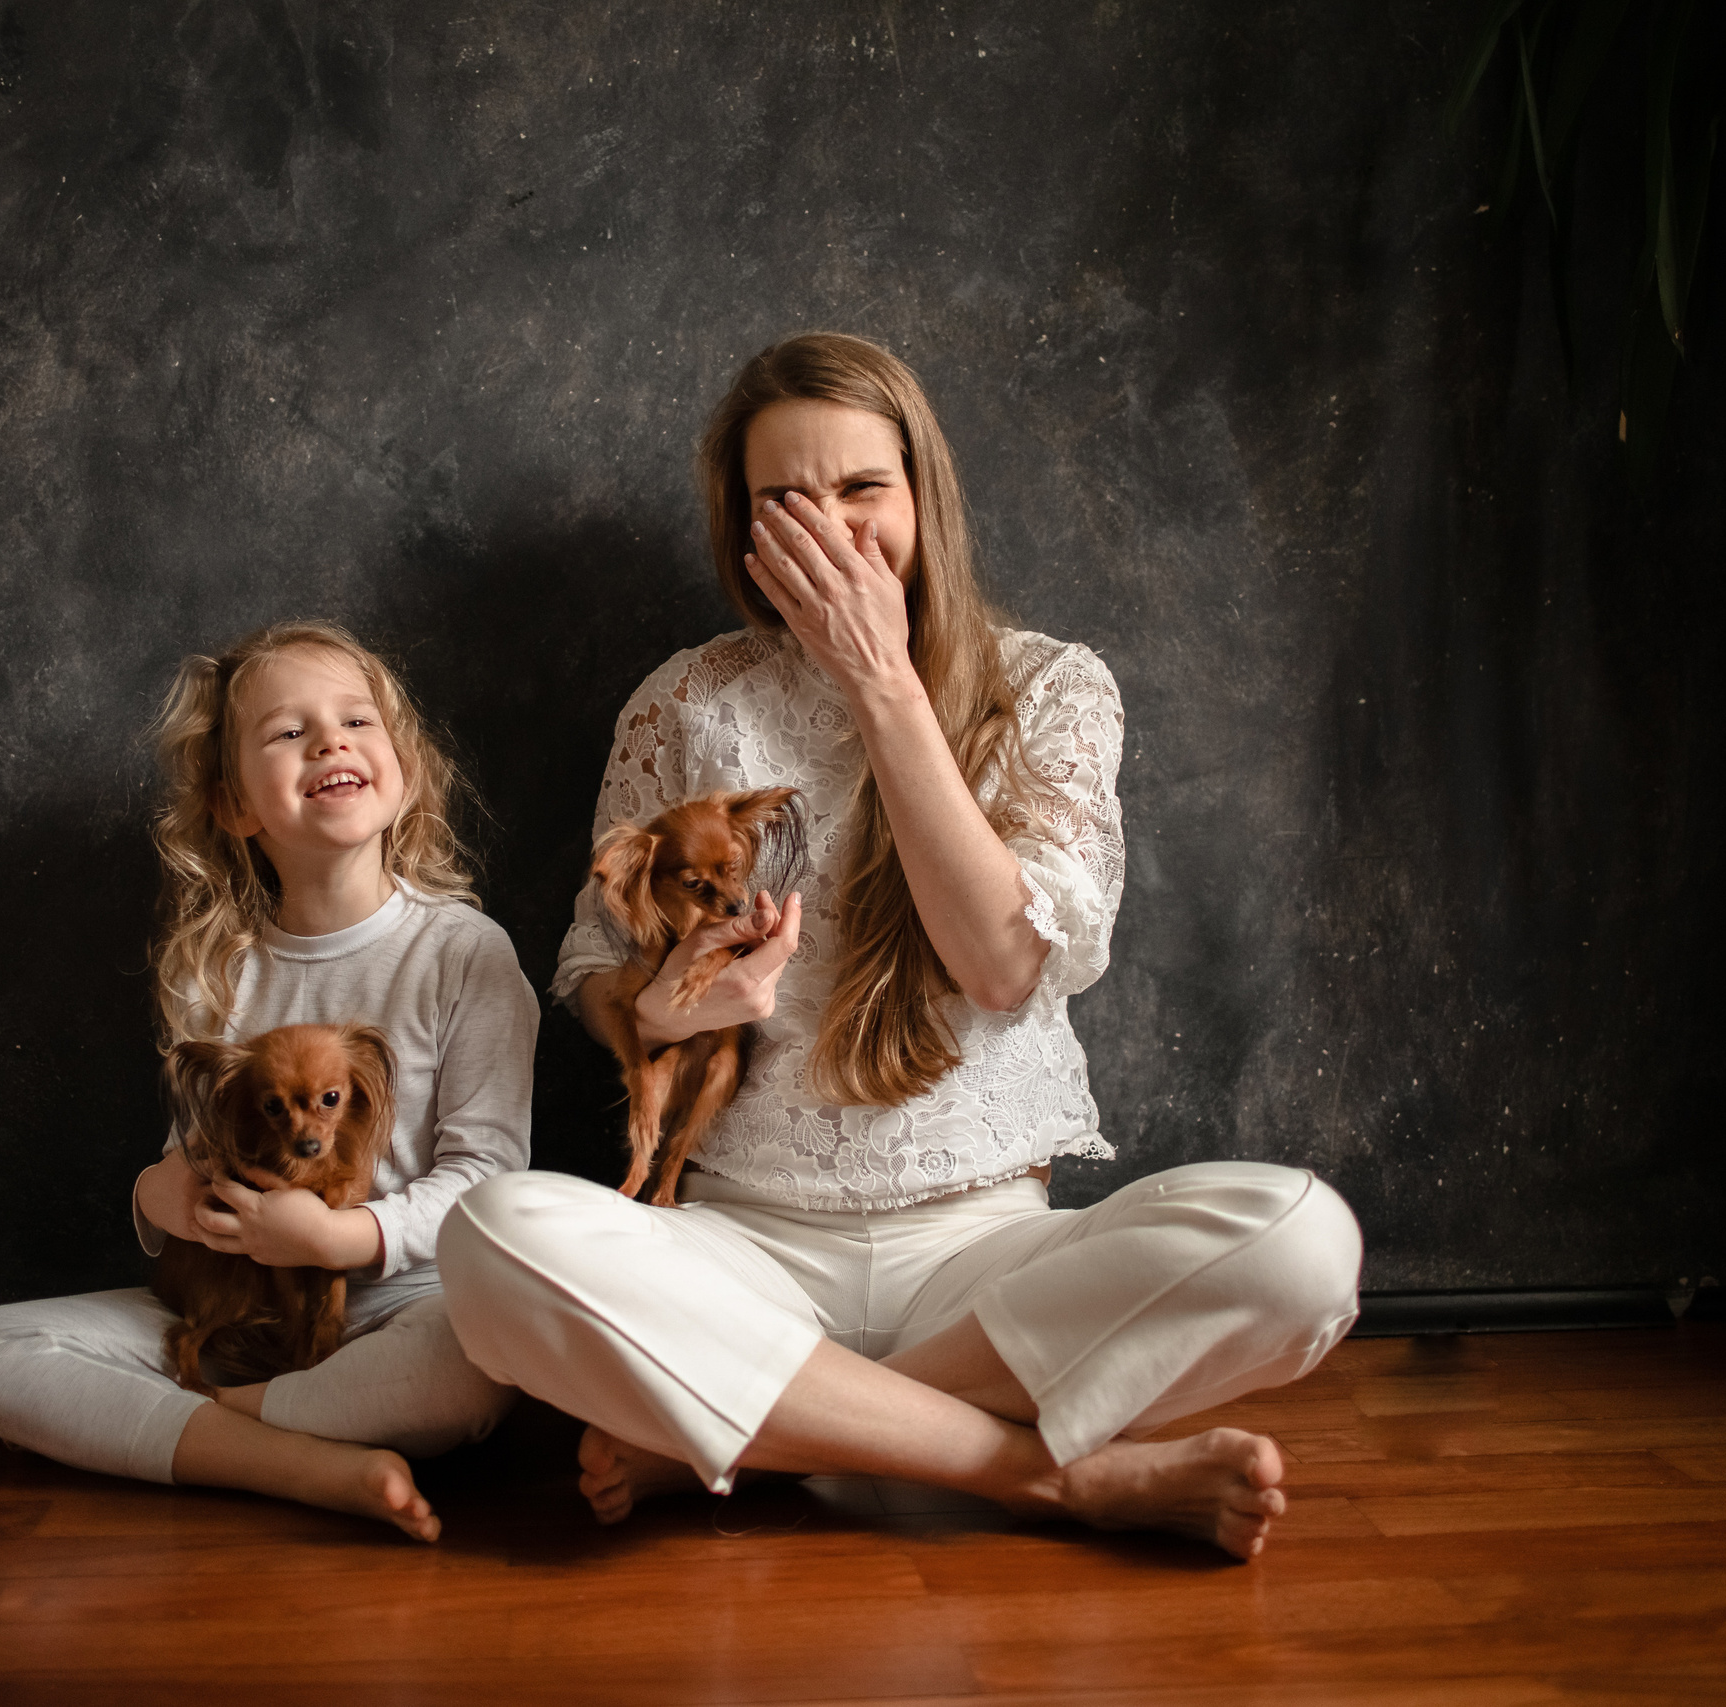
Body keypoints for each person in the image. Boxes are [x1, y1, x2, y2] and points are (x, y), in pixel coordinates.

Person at [438, 334, 1361, 1560]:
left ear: (924, 494)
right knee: (491, 1240)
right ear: (741, 527)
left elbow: (1001, 965)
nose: (828, 529)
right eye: (785, 500)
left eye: (861, 489)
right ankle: (1047, 1478)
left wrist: (881, 681)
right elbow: (591, 970)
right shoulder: (685, 700)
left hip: (985, 1259)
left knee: (1302, 1245)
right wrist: (660, 1012)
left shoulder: (1052, 688)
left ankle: (759, 1433)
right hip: (741, 1251)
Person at [0, 620, 536, 1543]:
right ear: (234, 805)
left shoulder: (464, 952)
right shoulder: (222, 971)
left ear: (404, 767)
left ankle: (213, 1426)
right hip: (240, 1306)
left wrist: (339, 1237)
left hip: (405, 1300)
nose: (330, 741)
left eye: (356, 720)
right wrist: (158, 1195)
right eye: (289, 732)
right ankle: (303, 1459)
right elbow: (192, 1156)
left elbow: (488, 1177)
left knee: (478, 1363)